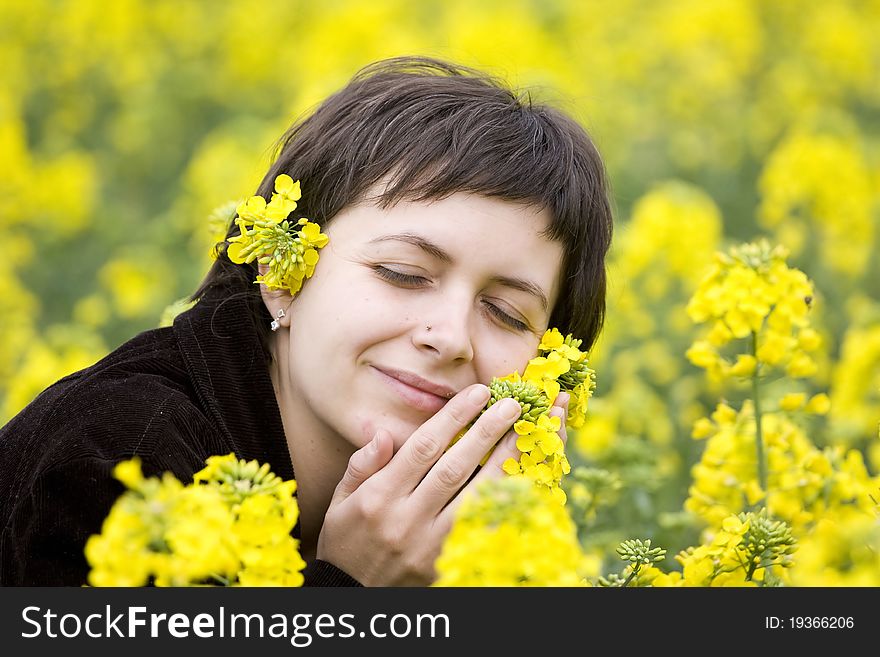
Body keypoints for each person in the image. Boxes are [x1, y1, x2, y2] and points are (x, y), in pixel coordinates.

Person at [0, 56, 613, 586]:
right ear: (280, 271)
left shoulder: (466, 525)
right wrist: (351, 591)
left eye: (506, 313)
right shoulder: (118, 460)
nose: (450, 337)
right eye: (402, 273)